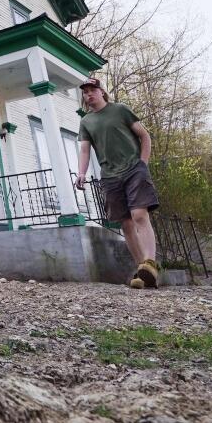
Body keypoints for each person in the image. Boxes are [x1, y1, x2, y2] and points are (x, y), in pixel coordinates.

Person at [75, 77, 161, 289]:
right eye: (85, 92)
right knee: (126, 223)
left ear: (101, 92)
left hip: (133, 169)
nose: (89, 95)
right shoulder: (86, 122)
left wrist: (143, 164)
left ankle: (151, 262)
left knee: (139, 215)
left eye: (92, 90)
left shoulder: (120, 110)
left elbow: (145, 136)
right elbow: (85, 150)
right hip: (110, 176)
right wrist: (81, 173)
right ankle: (142, 269)